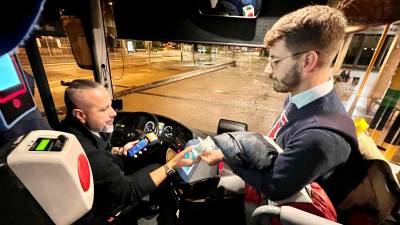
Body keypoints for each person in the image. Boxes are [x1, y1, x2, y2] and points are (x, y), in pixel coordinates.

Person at [195, 4, 369, 220]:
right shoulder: (301, 98)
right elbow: (277, 145)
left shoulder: (320, 135)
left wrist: (230, 157)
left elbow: (275, 187)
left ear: (308, 61)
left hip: (288, 209)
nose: (267, 70)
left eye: (275, 60)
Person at [59, 79, 193, 224]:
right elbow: (128, 191)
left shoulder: (70, 128)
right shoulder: (90, 154)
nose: (113, 113)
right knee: (159, 168)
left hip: (99, 184)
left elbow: (102, 151)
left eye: (111, 105)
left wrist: (116, 151)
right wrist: (171, 165)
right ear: (80, 115)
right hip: (103, 208)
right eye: (103, 109)